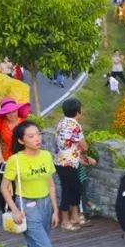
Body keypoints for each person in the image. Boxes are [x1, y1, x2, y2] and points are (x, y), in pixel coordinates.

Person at [1, 121, 59, 247]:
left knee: (36, 246)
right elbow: (4, 187)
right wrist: (14, 210)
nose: (37, 139)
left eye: (38, 134)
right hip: (27, 206)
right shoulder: (16, 160)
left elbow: (50, 184)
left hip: (45, 204)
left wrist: (55, 210)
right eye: (31, 136)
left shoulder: (46, 155)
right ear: (21, 140)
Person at [0, 96, 31, 210]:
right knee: (7, 185)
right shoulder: (0, 122)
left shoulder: (24, 122)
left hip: (23, 157)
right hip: (7, 158)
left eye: (14, 111)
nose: (13, 114)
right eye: (9, 113)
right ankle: (9, 209)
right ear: (5, 114)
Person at [55, 99, 89, 231]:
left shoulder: (61, 123)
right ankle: (65, 221)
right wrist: (85, 153)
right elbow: (84, 146)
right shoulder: (75, 126)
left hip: (60, 162)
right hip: (69, 164)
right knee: (69, 191)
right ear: (78, 112)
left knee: (74, 189)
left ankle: (75, 217)